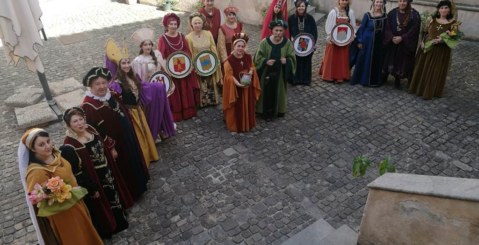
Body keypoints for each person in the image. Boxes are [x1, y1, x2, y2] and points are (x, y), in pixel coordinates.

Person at [19, 128, 103, 244]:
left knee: (86, 234)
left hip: (75, 204)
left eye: (48, 141)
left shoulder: (55, 155)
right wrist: (56, 190)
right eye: (41, 145)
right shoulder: (36, 171)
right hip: (63, 214)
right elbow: (36, 197)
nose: (48, 146)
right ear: (33, 149)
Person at [81, 67, 149, 201]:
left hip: (126, 137)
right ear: (91, 86)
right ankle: (132, 193)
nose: (102, 86)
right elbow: (95, 131)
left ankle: (141, 185)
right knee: (124, 167)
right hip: (115, 144)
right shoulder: (88, 105)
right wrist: (110, 147)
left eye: (104, 83)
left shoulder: (110, 93)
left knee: (133, 160)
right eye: (97, 84)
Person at [60, 107, 129, 238]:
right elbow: (77, 171)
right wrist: (91, 188)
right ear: (69, 125)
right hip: (95, 177)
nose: (80, 123)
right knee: (104, 200)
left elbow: (103, 143)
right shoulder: (69, 144)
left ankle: (120, 216)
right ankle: (112, 224)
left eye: (81, 119)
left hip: (107, 170)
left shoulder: (90, 129)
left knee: (113, 193)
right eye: (75, 121)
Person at [409, 0, 460, 99]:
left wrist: (443, 40)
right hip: (427, 48)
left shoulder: (454, 24)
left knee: (433, 70)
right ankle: (418, 88)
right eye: (441, 8)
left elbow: (454, 38)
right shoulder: (431, 19)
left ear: (450, 10)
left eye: (446, 8)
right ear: (438, 9)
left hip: (440, 52)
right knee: (422, 68)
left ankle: (429, 91)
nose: (443, 10)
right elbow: (424, 32)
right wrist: (422, 42)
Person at [158, 13, 199, 122]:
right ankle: (177, 114)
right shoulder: (163, 38)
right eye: (171, 24)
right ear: (167, 26)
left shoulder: (181, 36)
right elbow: (161, 56)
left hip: (183, 69)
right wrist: (167, 69)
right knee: (175, 91)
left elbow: (187, 51)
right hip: (171, 71)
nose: (173, 26)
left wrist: (189, 65)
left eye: (175, 24)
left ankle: (188, 111)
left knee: (186, 89)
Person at [254, 19, 296, 118]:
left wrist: (287, 61)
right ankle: (262, 111)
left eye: (281, 31)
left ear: (284, 31)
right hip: (266, 74)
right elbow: (257, 58)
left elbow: (292, 58)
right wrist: (265, 61)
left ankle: (278, 110)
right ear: (272, 31)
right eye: (276, 30)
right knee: (265, 92)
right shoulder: (264, 42)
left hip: (279, 75)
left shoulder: (287, 43)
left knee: (279, 91)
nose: (278, 33)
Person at [223, 33, 261, 132]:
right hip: (236, 89)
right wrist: (238, 84)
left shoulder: (248, 57)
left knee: (248, 105)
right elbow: (228, 77)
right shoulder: (228, 61)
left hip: (247, 88)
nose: (240, 48)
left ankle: (248, 123)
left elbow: (252, 66)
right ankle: (237, 125)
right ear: (234, 46)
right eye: (238, 46)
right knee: (238, 108)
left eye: (243, 46)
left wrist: (251, 71)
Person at [186, 12, 222, 107]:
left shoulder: (208, 33)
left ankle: (213, 100)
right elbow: (190, 53)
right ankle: (203, 101)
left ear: (202, 24)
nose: (197, 25)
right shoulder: (188, 37)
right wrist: (194, 66)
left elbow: (213, 48)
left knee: (211, 81)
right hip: (198, 63)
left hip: (209, 61)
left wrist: (216, 60)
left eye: (199, 23)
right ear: (192, 25)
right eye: (195, 23)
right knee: (201, 83)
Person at [382, 0, 420, 89]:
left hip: (404, 44)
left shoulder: (414, 15)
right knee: (389, 59)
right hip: (393, 42)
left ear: (408, 2)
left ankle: (397, 79)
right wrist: (391, 37)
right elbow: (387, 27)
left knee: (401, 62)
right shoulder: (392, 13)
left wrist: (402, 38)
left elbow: (414, 30)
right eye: (400, 1)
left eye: (404, 1)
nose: (402, 3)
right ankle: (384, 76)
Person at [350, 0, 387, 87]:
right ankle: (363, 80)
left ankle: (375, 81)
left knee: (377, 61)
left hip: (379, 43)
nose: (379, 4)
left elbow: (385, 30)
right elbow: (362, 28)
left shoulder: (385, 16)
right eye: (377, 2)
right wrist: (359, 41)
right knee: (365, 60)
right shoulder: (367, 15)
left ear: (383, 4)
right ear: (373, 3)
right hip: (367, 43)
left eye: (381, 2)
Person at [319, 0, 356, 83]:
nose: (344, 2)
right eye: (342, 0)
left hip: (344, 40)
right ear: (339, 1)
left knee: (342, 58)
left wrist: (352, 36)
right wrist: (330, 37)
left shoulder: (350, 12)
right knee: (332, 57)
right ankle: (330, 75)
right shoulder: (333, 12)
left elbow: (352, 26)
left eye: (346, 0)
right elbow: (329, 26)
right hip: (334, 40)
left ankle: (341, 76)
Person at [288, 0, 318, 86]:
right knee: (296, 61)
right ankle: (296, 79)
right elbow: (288, 32)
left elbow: (314, 31)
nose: (301, 8)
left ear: (305, 7)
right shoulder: (291, 19)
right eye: (299, 6)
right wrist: (290, 43)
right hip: (295, 44)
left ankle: (306, 80)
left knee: (306, 61)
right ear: (296, 7)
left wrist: (313, 43)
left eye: (302, 6)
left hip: (308, 44)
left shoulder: (310, 18)